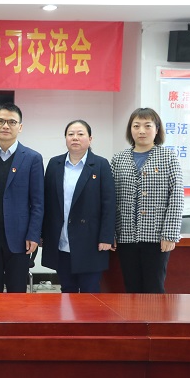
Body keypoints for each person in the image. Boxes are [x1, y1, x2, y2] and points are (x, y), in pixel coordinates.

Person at [110, 107, 183, 293]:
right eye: (136, 126)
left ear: (157, 129)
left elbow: (176, 197)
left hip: (156, 237)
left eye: (147, 126)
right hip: (125, 235)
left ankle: (155, 315)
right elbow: (110, 199)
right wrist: (110, 232)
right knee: (131, 287)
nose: (141, 130)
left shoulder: (168, 157)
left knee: (154, 288)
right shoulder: (118, 159)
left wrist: (170, 234)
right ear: (130, 130)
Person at [0, 102, 44, 293]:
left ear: (20, 127)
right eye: (1, 121)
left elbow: (38, 202)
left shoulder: (32, 158)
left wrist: (34, 235)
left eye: (12, 122)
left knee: (17, 291)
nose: (6, 126)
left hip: (20, 237)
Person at [41, 120, 115, 293]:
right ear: (65, 138)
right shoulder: (54, 164)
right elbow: (46, 202)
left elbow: (109, 203)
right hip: (62, 240)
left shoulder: (101, 165)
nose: (75, 138)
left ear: (90, 139)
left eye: (80, 134)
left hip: (91, 241)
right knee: (67, 289)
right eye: (71, 134)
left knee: (90, 291)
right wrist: (43, 234)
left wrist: (106, 237)